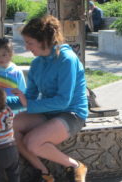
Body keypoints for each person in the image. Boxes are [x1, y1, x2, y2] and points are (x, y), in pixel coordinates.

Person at [11, 15, 88, 182]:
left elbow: (63, 101)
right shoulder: (37, 64)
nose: (26, 47)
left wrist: (29, 104)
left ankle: (76, 166)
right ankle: (44, 172)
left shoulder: (67, 60)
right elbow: (28, 97)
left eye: (30, 43)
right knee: (11, 125)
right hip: (49, 112)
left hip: (71, 114)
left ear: (43, 40)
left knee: (32, 142)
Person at [0, 37, 26, 111]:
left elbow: (23, 93)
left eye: (4, 55)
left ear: (10, 54)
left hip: (13, 112)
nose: (0, 58)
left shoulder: (17, 71)